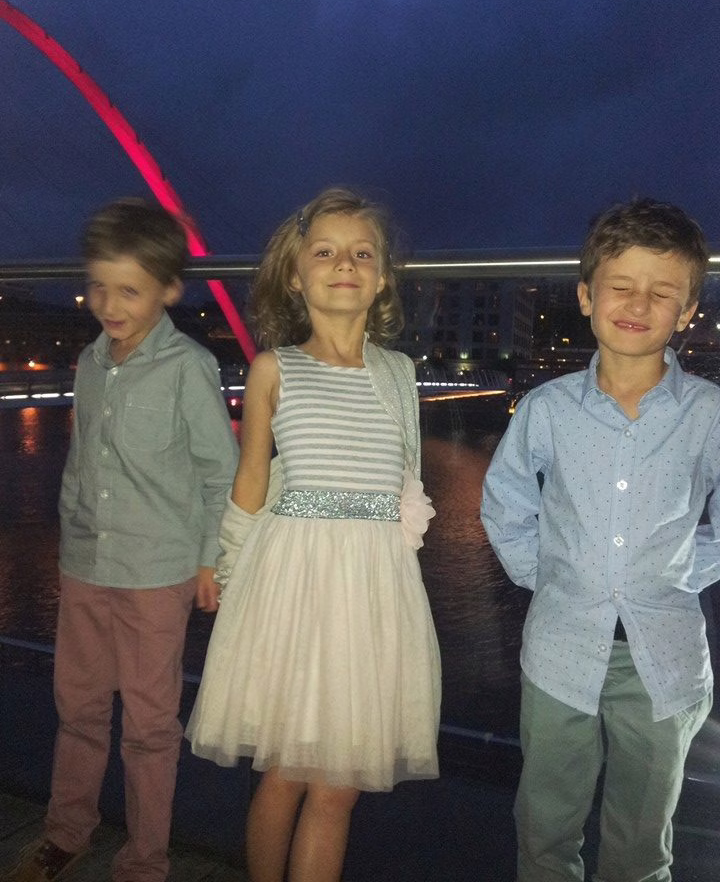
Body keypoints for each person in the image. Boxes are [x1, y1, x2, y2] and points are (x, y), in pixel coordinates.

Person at [186, 187, 441, 882]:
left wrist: (396, 578)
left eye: (362, 253)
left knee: (340, 787)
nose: (344, 264)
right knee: (288, 772)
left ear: (383, 277)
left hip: (371, 589)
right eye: (324, 252)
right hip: (295, 586)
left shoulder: (399, 374)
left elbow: (405, 482)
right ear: (295, 276)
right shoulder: (275, 369)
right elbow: (251, 483)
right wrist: (228, 569)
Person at [481, 198, 720, 882]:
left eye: (661, 292)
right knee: (545, 830)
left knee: (642, 842)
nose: (638, 303)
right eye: (620, 286)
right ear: (587, 296)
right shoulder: (547, 409)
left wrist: (679, 572)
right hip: (560, 653)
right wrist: (549, 575)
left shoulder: (708, 415)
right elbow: (505, 505)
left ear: (687, 311)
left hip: (664, 662)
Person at [3, 199, 239, 882]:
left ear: (168, 289)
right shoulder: (89, 360)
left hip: (157, 573)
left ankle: (145, 860)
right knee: (76, 707)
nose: (108, 302)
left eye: (128, 289)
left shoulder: (187, 367)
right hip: (86, 563)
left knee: (149, 726)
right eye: (98, 285)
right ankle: (66, 832)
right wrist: (67, 531)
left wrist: (209, 560)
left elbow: (217, 474)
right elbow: (84, 463)